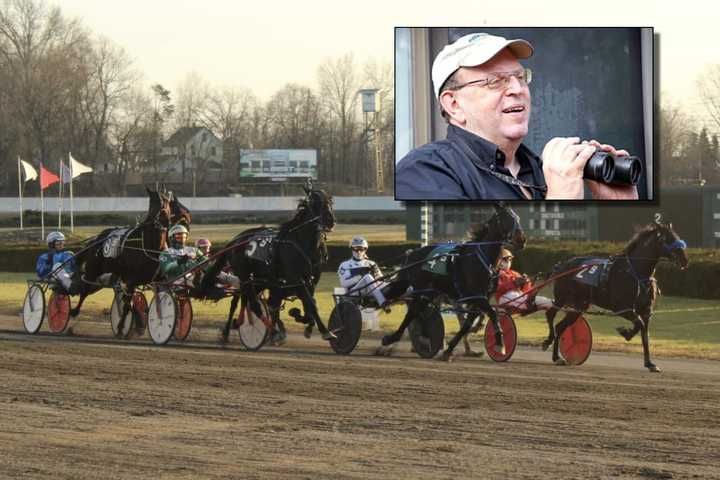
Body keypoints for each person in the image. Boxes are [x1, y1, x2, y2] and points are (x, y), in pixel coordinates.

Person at [396, 32, 639, 201]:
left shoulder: (539, 169)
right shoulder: (424, 172)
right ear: (454, 104)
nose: (517, 89)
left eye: (520, 77)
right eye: (495, 81)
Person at [160, 225, 238, 290]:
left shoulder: (194, 250)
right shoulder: (166, 253)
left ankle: (244, 286)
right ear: (172, 238)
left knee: (227, 277)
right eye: (178, 237)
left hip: (200, 275)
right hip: (179, 280)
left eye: (183, 236)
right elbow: (167, 269)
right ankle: (215, 286)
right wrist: (179, 262)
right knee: (202, 279)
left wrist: (217, 264)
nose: (181, 239)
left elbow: (207, 263)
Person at [337, 236, 390, 312]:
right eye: (356, 249)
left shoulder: (371, 263)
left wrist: (376, 275)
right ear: (351, 249)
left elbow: (380, 281)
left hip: (371, 291)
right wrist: (361, 276)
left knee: (391, 280)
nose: (359, 252)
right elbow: (344, 284)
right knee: (367, 277)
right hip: (354, 293)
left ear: (365, 249)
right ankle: (383, 303)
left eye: (361, 249)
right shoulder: (345, 265)